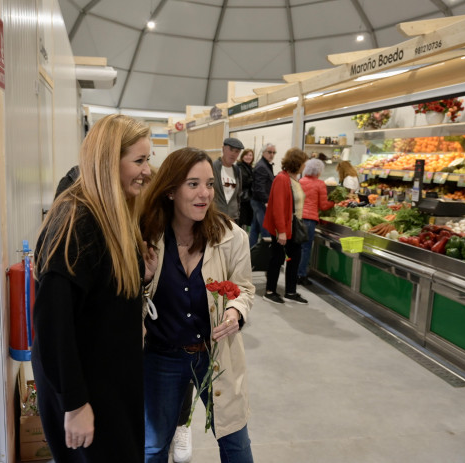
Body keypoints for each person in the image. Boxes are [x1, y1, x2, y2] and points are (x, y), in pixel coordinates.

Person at [32, 114, 154, 462]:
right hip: (89, 393)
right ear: (107, 162)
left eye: (149, 159)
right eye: (139, 161)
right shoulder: (77, 222)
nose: (147, 171)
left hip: (109, 383)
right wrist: (75, 404)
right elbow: (52, 324)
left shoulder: (110, 215)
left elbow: (98, 296)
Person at [139, 147, 255, 463]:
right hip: (162, 355)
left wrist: (235, 310)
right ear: (171, 190)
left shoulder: (232, 238)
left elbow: (244, 289)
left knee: (236, 445)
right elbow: (126, 300)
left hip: (217, 356)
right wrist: (144, 279)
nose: (204, 194)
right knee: (153, 448)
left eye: (209, 184)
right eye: (193, 184)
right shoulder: (147, 235)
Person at [262, 148, 309, 305]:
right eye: (303, 163)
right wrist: (281, 231)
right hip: (283, 227)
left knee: (294, 259)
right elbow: (278, 207)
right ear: (297, 163)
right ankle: (270, 291)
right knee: (277, 258)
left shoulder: (293, 179)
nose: (305, 166)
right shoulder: (282, 179)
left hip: (294, 226)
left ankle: (290, 291)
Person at [298, 158, 336, 286]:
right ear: (319, 171)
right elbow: (324, 206)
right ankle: (302, 274)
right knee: (306, 248)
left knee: (297, 248)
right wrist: (334, 202)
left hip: (297, 218)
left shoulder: (300, 181)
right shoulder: (320, 184)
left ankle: (294, 273)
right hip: (310, 220)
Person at [249, 143, 276, 247]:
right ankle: (264, 257)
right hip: (260, 202)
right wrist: (266, 201)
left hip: (259, 201)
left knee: (255, 229)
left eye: (274, 152)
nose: (272, 155)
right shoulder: (262, 166)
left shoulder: (266, 165)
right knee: (266, 231)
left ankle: (250, 255)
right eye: (269, 152)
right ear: (263, 152)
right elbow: (259, 186)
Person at [212, 137, 244, 221]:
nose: (233, 154)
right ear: (223, 149)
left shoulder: (237, 170)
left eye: (237, 151)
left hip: (233, 217)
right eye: (231, 149)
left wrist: (237, 212)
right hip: (215, 216)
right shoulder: (212, 167)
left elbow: (238, 195)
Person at [236, 148, 254, 229]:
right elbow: (243, 181)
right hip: (242, 198)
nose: (248, 157)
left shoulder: (249, 168)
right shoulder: (240, 167)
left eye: (250, 155)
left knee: (245, 221)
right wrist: (254, 179)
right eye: (246, 155)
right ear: (243, 156)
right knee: (241, 221)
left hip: (248, 198)